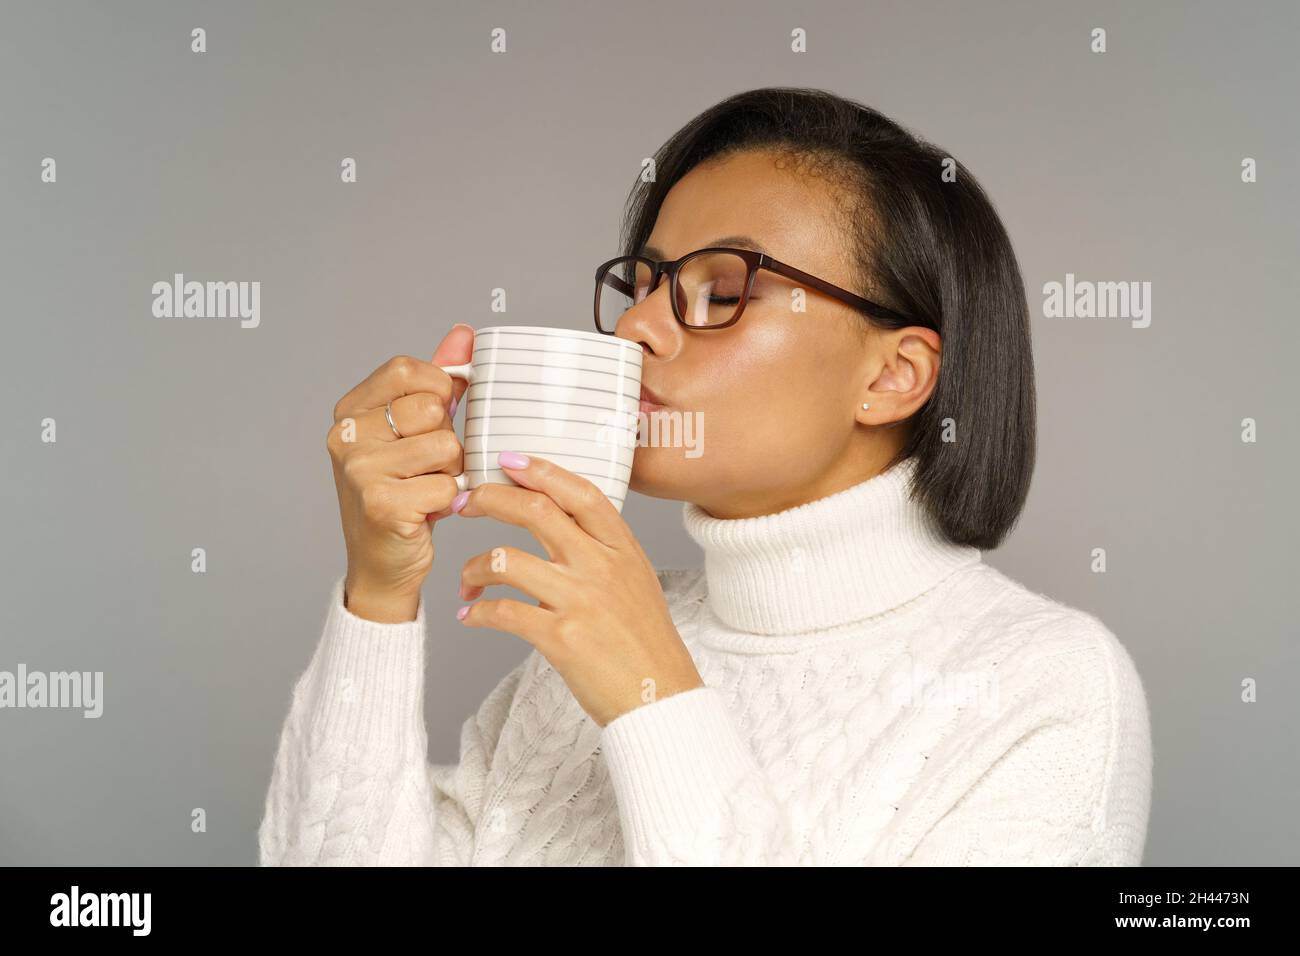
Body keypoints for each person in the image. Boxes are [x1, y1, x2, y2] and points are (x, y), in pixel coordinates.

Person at [258, 86, 1152, 866]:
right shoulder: (578, 653)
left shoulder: (1048, 686)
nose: (638, 327)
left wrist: (653, 698)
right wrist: (378, 594)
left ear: (893, 377)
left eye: (720, 291)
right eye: (642, 284)